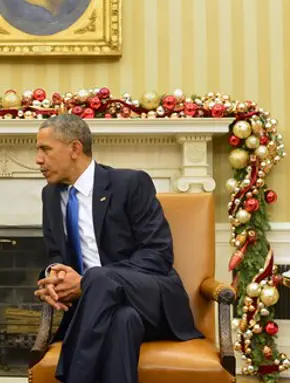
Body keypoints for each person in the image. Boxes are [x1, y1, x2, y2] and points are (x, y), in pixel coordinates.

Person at [34, 114, 203, 383]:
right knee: (123, 321)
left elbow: (157, 254)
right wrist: (55, 274)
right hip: (105, 310)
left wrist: (89, 282)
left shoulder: (130, 184)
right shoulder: (51, 195)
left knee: (98, 276)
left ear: (75, 149)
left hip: (150, 298)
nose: (38, 160)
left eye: (45, 149)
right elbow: (55, 254)